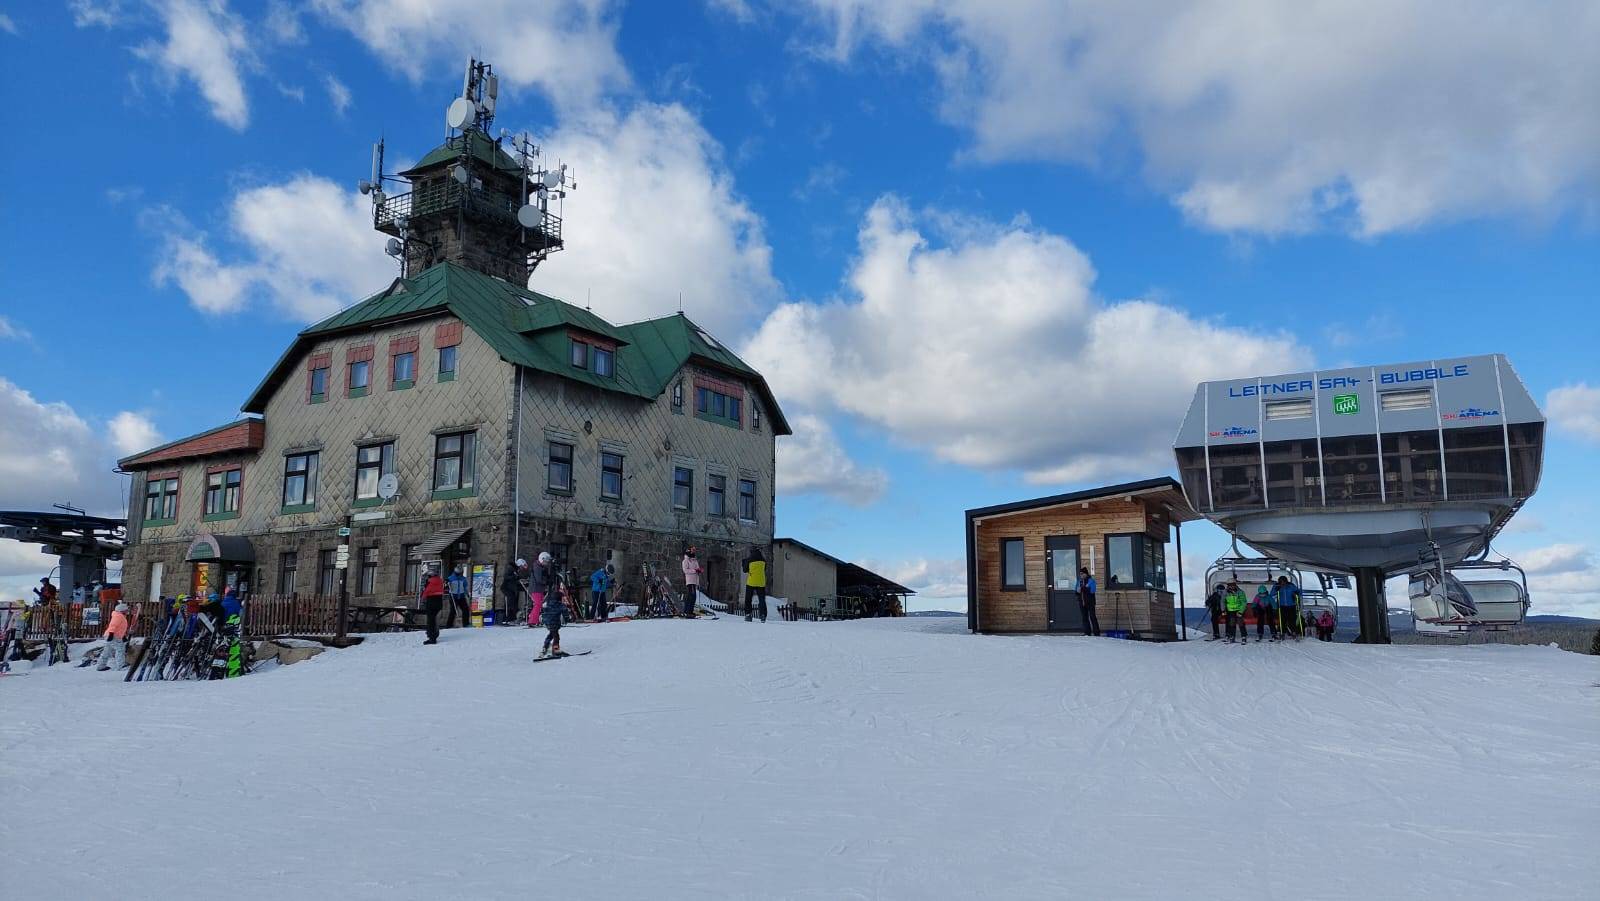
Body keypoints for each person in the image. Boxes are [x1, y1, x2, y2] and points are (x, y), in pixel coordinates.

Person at [537, 574, 569, 659]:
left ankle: (545, 646)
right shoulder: (560, 605)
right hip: (554, 623)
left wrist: (543, 619)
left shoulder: (548, 603)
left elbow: (543, 610)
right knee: (556, 636)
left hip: (547, 623)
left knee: (551, 634)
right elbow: (565, 612)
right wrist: (567, 619)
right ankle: (555, 649)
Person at [97, 601, 132, 671]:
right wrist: (111, 634)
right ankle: (121, 665)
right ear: (122, 610)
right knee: (120, 649)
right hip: (113, 636)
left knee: (107, 651)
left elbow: (120, 628)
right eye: (126, 610)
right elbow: (113, 625)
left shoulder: (120, 616)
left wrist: (123, 636)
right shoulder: (119, 616)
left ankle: (101, 666)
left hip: (113, 636)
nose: (127, 611)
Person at [421, 567, 446, 645]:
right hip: (439, 600)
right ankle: (434, 633)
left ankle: (432, 638)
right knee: (435, 619)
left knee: (430, 620)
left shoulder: (429, 581)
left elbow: (426, 591)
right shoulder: (440, 580)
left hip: (431, 601)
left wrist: (423, 599)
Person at [743, 546, 768, 622]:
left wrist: (744, 563)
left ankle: (748, 615)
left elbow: (745, 570)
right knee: (762, 599)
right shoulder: (763, 560)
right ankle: (763, 615)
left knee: (748, 599)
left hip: (751, 581)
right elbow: (764, 569)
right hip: (761, 582)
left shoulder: (749, 559)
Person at [527, 552, 553, 627]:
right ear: (542, 560)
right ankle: (532, 621)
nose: (547, 563)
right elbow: (539, 579)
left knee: (539, 605)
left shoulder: (541, 567)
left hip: (539, 589)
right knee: (537, 604)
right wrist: (547, 581)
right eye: (546, 561)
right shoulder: (537, 567)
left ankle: (535, 620)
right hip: (535, 589)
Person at [1272, 576, 1302, 640]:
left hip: (1291, 605)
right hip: (1282, 606)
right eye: (1281, 582)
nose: (1283, 583)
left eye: (1284, 582)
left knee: (1292, 620)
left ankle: (1293, 632)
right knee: (1282, 620)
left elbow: (1299, 592)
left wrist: (1297, 593)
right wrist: (1276, 588)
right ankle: (1282, 632)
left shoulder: (1291, 586)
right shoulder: (1277, 586)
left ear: (1286, 581)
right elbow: (1272, 594)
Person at [1077, 567, 1101, 636]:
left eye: (1082, 573)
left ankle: (1096, 633)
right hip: (1082, 602)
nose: (1081, 575)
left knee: (1092, 617)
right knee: (1084, 617)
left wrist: (1084, 588)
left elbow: (1092, 590)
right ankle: (1087, 632)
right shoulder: (1079, 581)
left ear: (1086, 574)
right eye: (1080, 574)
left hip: (1090, 602)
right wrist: (1077, 591)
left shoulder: (1091, 581)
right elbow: (1076, 590)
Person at [501, 560, 525, 625]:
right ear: (519, 565)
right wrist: (515, 577)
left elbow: (515, 578)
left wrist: (518, 578)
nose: (522, 568)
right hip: (506, 588)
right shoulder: (510, 568)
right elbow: (506, 577)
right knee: (511, 602)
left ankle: (512, 618)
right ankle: (508, 618)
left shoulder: (515, 569)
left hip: (511, 588)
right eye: (521, 567)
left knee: (513, 601)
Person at [681, 547, 702, 617]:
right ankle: (687, 611)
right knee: (692, 596)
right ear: (689, 551)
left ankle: (689, 611)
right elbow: (685, 570)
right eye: (692, 550)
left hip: (695, 580)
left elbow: (697, 568)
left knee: (693, 596)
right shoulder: (685, 561)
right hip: (690, 581)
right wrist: (695, 571)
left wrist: (699, 570)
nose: (693, 552)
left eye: (694, 551)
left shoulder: (695, 560)